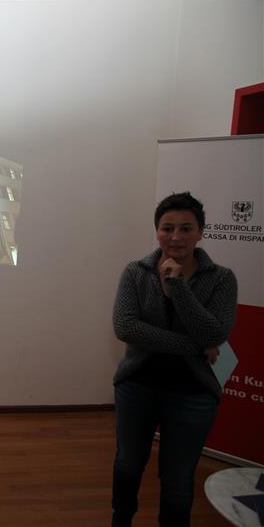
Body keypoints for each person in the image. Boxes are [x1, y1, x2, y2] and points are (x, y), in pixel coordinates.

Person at [111, 192, 238, 527]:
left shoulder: (221, 279)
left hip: (193, 395)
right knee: (127, 465)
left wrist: (178, 286)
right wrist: (195, 347)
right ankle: (121, 520)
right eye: (167, 228)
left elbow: (214, 333)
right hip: (137, 387)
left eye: (186, 228)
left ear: (200, 232)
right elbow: (126, 327)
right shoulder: (136, 272)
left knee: (178, 479)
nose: (176, 236)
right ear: (157, 232)